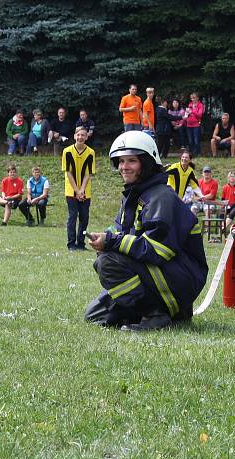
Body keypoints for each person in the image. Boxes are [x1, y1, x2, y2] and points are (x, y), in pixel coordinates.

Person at [85, 131, 208, 331]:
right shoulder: (135, 195)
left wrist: (110, 242)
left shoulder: (160, 198)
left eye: (131, 161)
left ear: (147, 162)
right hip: (161, 275)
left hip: (179, 279)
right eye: (121, 161)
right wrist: (105, 238)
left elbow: (158, 251)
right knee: (95, 315)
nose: (124, 167)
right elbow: (120, 231)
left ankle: (156, 314)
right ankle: (165, 312)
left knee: (107, 263)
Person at [63, 126, 95, 251]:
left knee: (84, 217)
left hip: (85, 191)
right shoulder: (67, 151)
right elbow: (68, 173)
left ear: (86, 137)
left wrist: (82, 190)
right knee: (72, 216)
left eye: (83, 135)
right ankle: (71, 244)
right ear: (74, 136)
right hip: (71, 190)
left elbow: (88, 173)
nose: (80, 137)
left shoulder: (90, 152)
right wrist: (77, 190)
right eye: (78, 135)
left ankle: (81, 243)